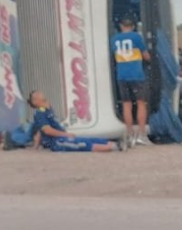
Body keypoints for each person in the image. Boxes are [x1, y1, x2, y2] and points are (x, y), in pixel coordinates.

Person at [29, 91, 121, 152]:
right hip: (57, 141)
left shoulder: (47, 109)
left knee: (89, 139)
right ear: (35, 102)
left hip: (61, 137)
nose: (41, 93)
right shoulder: (40, 112)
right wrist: (65, 134)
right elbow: (46, 130)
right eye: (37, 94)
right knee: (83, 144)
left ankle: (115, 144)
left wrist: (35, 147)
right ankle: (113, 147)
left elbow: (39, 131)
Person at [111, 18, 151, 147]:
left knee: (126, 105)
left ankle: (129, 134)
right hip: (137, 75)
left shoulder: (114, 39)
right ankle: (142, 134)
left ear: (121, 26)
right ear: (133, 26)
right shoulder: (137, 37)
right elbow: (146, 56)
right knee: (141, 104)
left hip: (122, 76)